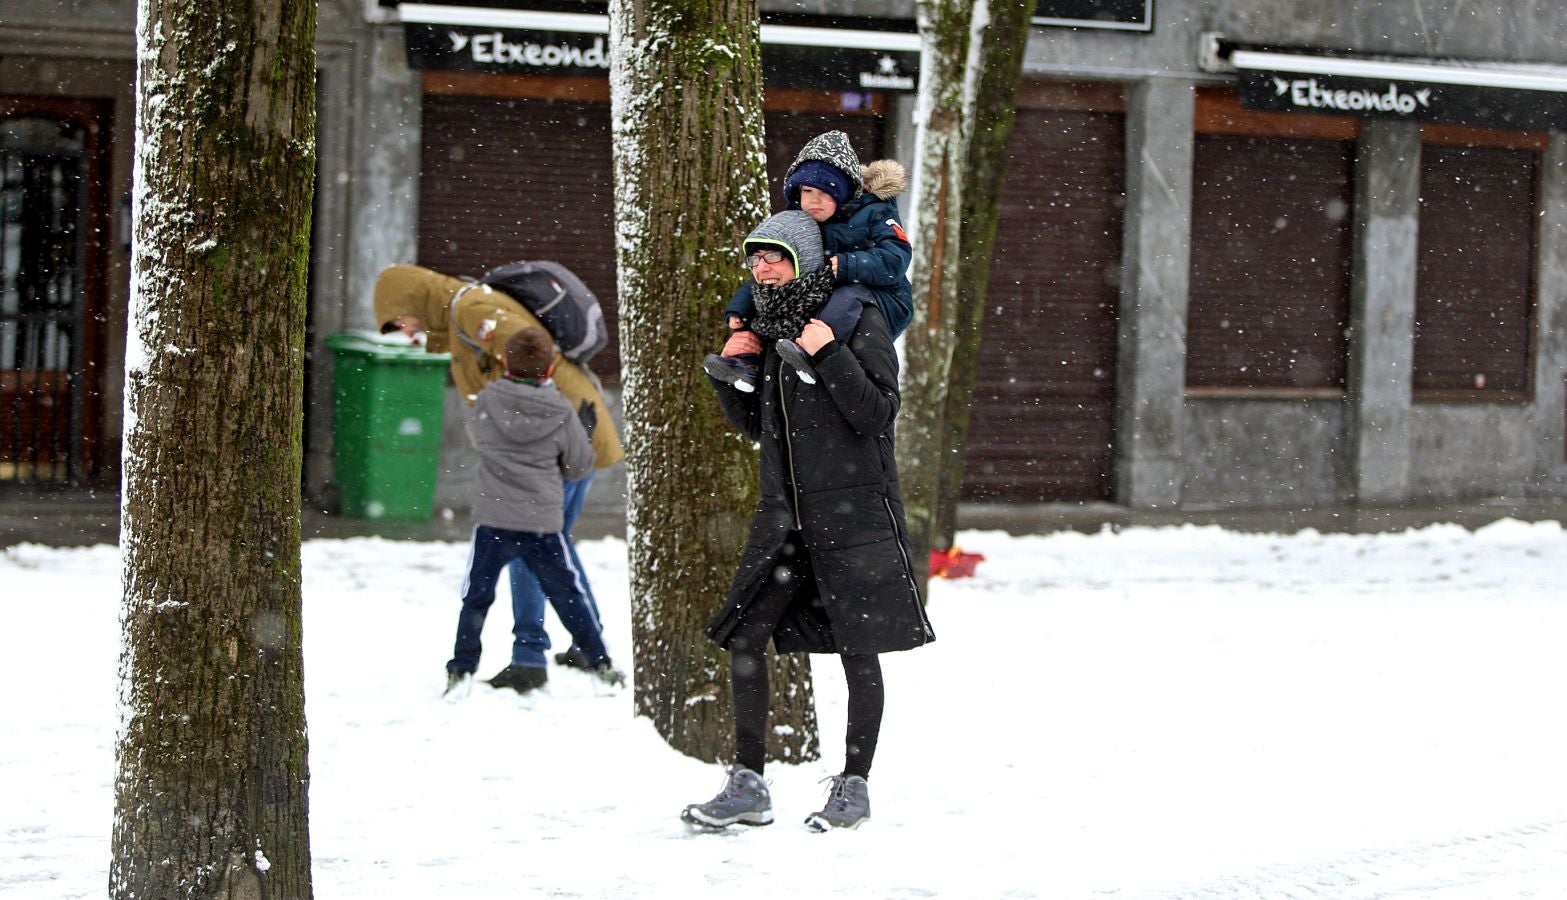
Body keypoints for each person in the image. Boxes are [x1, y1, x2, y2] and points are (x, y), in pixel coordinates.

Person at [682, 210, 934, 833]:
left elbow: (877, 413)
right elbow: (760, 428)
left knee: (858, 650)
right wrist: (730, 378)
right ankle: (749, 785)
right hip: (787, 522)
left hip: (854, 517)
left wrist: (827, 353)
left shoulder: (856, 319)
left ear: (803, 260)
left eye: (774, 256)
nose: (761, 267)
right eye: (754, 257)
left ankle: (854, 786)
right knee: (746, 636)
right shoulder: (771, 330)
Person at [373, 264, 624, 690]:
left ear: (412, 300)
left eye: (401, 321)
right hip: (566, 431)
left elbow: (530, 351)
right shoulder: (466, 312)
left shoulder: (471, 308)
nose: (407, 332)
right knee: (552, 543)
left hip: (554, 441)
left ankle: (529, 657)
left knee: (530, 542)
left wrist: (515, 427)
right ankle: (585, 645)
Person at [443, 327, 624, 696]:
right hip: (541, 522)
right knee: (567, 596)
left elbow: (481, 441)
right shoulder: (561, 410)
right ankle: (600, 664)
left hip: (493, 519)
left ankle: (461, 670)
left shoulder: (488, 400)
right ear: (551, 367)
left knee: (476, 596)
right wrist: (584, 435)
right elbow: (577, 468)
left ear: (506, 363)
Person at [702, 130, 913, 392]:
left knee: (847, 295)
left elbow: (896, 257)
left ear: (844, 193)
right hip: (830, 290)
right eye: (807, 191)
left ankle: (814, 352)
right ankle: (746, 363)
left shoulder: (874, 212)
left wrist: (851, 265)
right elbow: (769, 269)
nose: (814, 200)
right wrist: (741, 308)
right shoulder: (801, 221)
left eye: (826, 192)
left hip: (883, 296)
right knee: (780, 294)